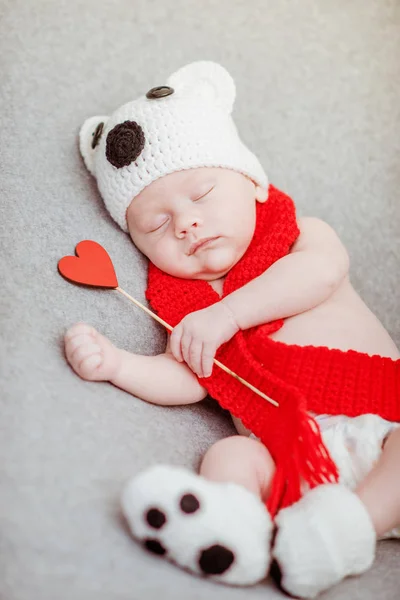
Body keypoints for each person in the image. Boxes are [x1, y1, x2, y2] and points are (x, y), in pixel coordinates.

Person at [64, 61, 400, 598]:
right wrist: (118, 364)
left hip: (382, 429)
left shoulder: (301, 238)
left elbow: (317, 275)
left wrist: (226, 315)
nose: (185, 223)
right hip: (290, 468)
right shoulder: (186, 305)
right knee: (227, 457)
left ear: (254, 185)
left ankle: (351, 526)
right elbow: (193, 378)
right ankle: (237, 533)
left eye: (201, 194)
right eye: (155, 224)